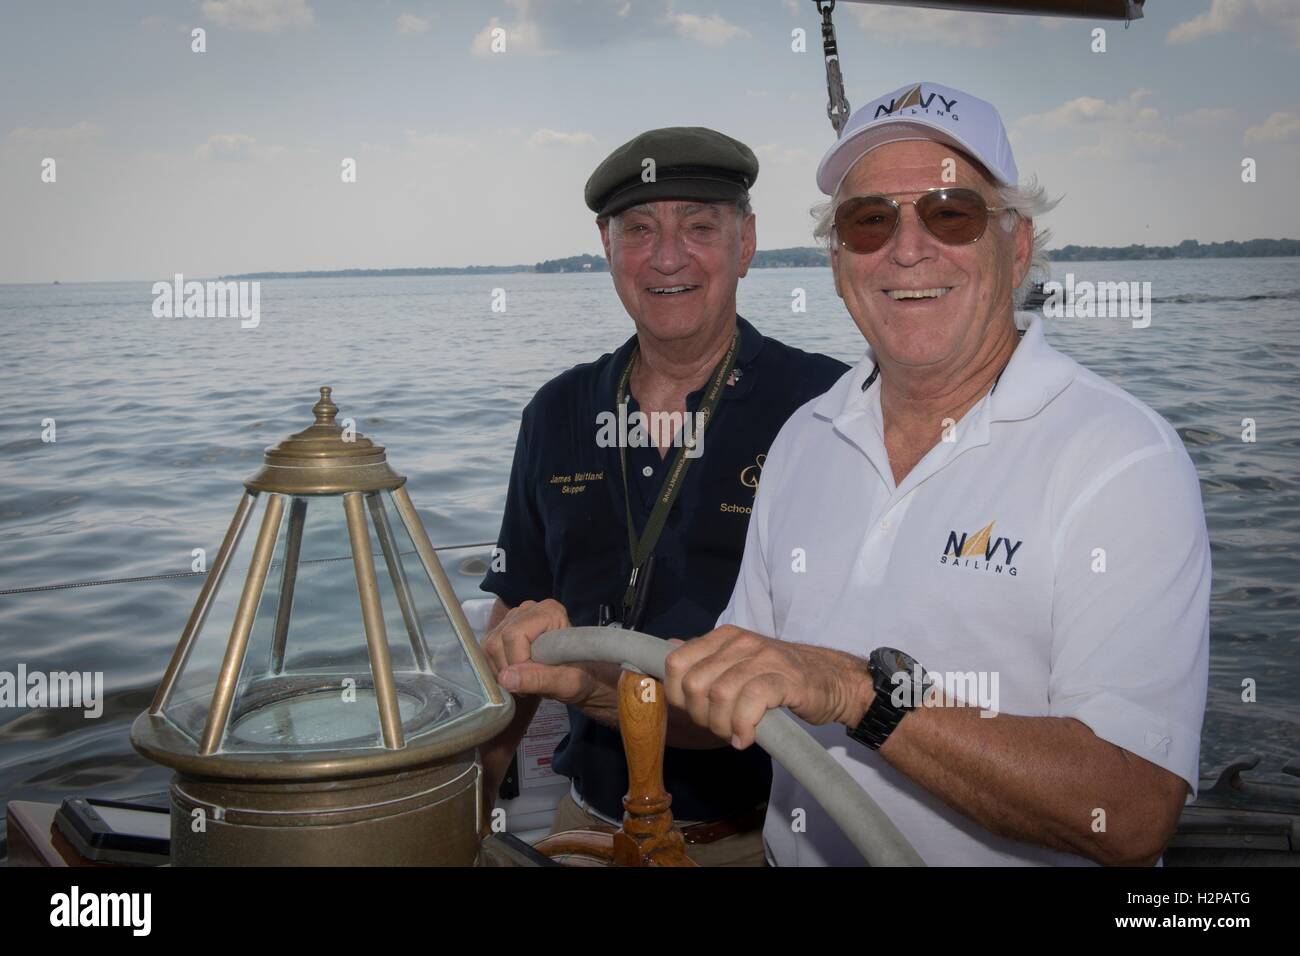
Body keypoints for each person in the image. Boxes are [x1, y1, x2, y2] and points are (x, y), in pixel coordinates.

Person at [658, 81, 1211, 866]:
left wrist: (859, 692)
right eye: (870, 220)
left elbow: (1127, 810)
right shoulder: (805, 437)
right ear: (839, 257)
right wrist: (584, 679)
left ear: (1017, 246)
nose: (907, 249)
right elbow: (737, 685)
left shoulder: (1121, 458)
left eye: (951, 213)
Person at [478, 126, 848, 866]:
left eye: (700, 228)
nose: (668, 256)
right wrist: (473, 804)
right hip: (589, 824)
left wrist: (588, 684)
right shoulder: (556, 412)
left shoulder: (828, 407)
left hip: (764, 839)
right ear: (607, 247)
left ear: (745, 245)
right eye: (639, 230)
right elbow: (513, 611)